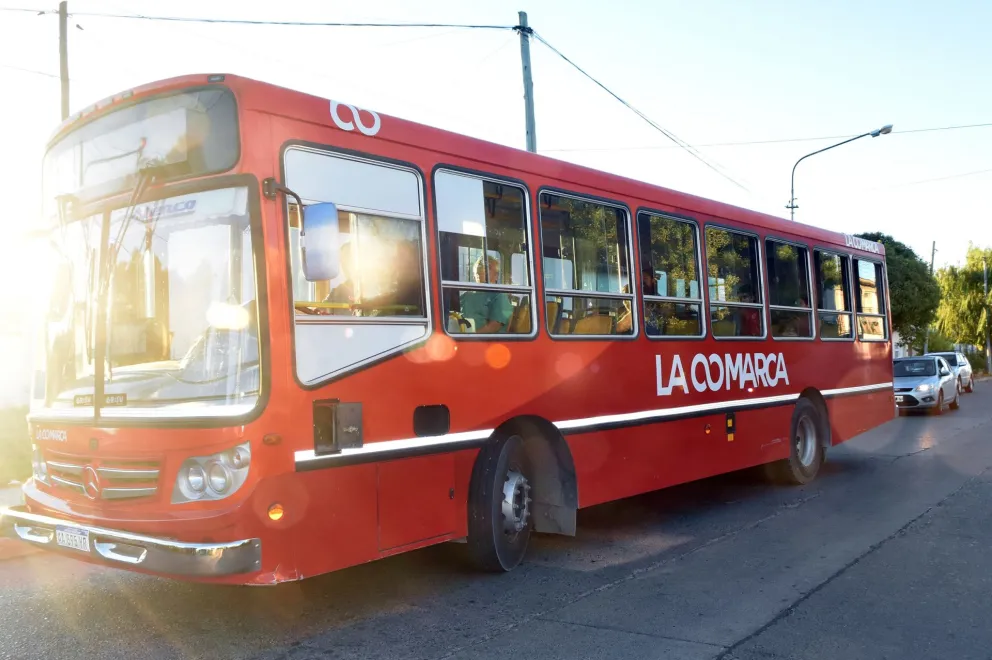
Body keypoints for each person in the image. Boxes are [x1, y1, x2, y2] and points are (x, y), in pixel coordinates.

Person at [459, 255, 513, 333]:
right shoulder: (466, 295)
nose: (482, 268)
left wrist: (470, 338)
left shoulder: (499, 296)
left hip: (486, 342)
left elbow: (494, 326)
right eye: (479, 264)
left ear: (496, 275)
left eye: (488, 267)